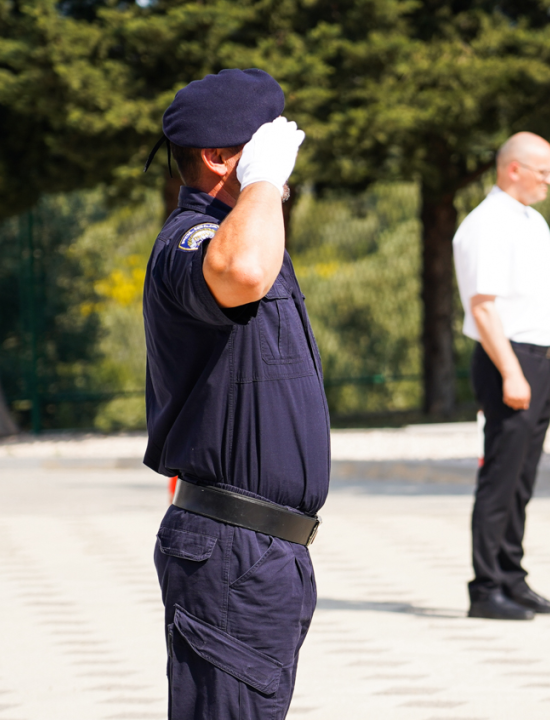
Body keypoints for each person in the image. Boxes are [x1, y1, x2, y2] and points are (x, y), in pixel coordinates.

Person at [142, 69, 330, 719]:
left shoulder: (249, 229)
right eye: (263, 144)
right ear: (222, 157)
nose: (283, 158)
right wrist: (262, 184)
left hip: (265, 551)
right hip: (232, 547)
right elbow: (241, 270)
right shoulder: (189, 243)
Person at [452, 132, 550, 621]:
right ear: (513, 169)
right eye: (544, 171)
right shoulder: (486, 225)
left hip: (539, 360)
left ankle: (511, 576)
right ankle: (486, 589)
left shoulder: (530, 220)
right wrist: (512, 373)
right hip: (511, 359)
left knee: (522, 478)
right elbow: (482, 307)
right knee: (500, 477)